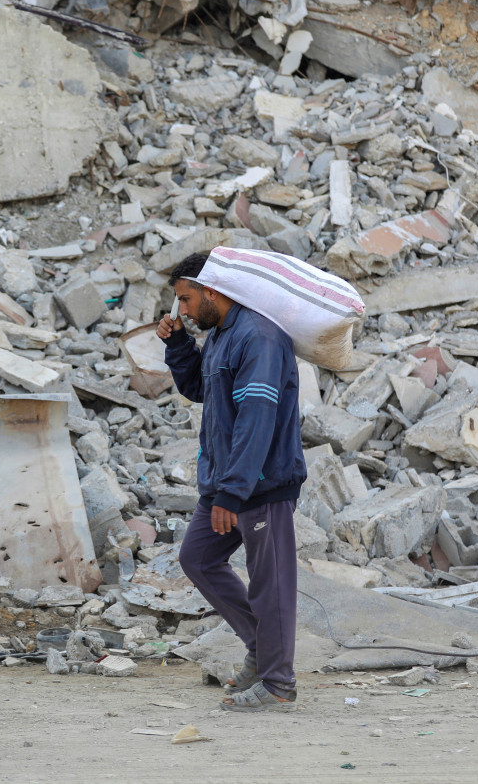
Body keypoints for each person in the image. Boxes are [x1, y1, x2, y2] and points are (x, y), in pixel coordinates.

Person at [156, 252, 307, 712]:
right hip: (229, 481)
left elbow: (256, 419)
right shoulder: (224, 335)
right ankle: (261, 652)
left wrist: (233, 492)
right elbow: (203, 390)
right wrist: (179, 346)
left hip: (260, 484)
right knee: (198, 558)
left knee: (271, 583)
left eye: (185, 299)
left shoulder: (259, 337)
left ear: (213, 291)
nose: (180, 309)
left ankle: (278, 684)